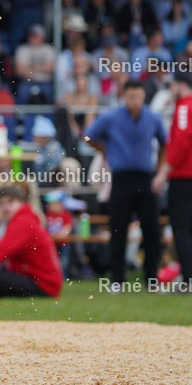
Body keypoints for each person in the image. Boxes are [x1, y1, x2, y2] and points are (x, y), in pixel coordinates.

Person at [85, 80, 166, 288]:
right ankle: (117, 279)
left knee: (151, 230)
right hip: (120, 179)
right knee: (118, 229)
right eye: (132, 97)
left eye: (139, 97)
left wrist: (158, 170)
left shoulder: (152, 117)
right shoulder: (111, 117)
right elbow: (87, 136)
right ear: (124, 96)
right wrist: (105, 151)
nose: (136, 102)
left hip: (145, 177)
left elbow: (165, 142)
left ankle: (151, 279)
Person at [152, 71, 192, 291]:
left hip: (184, 176)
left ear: (181, 85)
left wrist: (163, 172)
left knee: (180, 228)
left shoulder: (185, 106)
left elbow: (182, 140)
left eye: (172, 86)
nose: (169, 91)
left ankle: (189, 279)